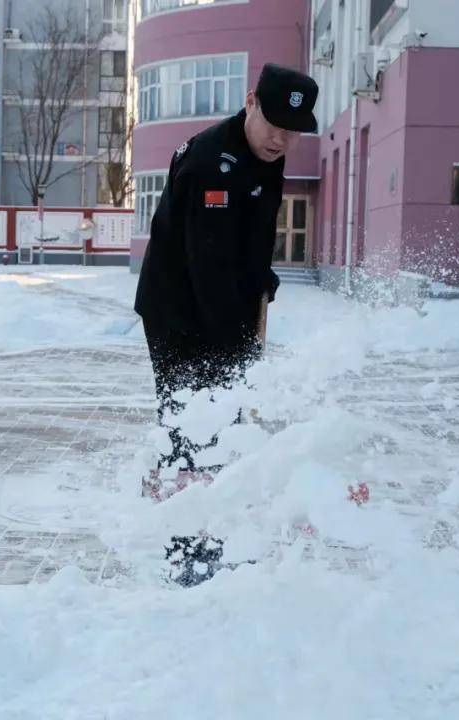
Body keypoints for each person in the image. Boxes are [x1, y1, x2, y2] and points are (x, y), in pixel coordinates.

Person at [133, 64, 319, 585]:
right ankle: (186, 552)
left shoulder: (263, 152)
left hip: (219, 300)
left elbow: (250, 233)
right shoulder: (213, 163)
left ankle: (213, 532)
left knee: (222, 423)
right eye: (275, 124)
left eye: (293, 131)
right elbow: (207, 267)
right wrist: (235, 356)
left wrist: (261, 277)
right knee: (192, 424)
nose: (282, 139)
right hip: (179, 313)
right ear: (251, 101)